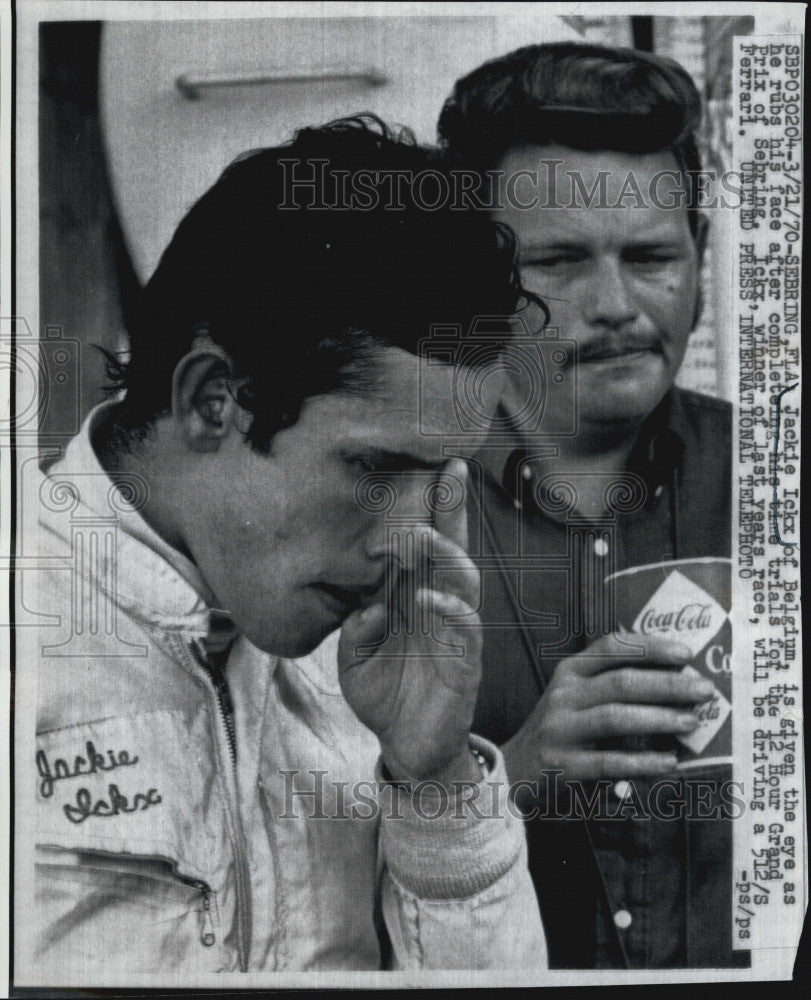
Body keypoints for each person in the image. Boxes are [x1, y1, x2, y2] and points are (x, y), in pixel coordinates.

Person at [20, 117, 547, 979]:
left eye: (439, 476)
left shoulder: (368, 665)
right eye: (373, 466)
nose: (407, 540)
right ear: (211, 402)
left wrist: (436, 782)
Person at [438, 43, 746, 969]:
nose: (615, 304)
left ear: (697, 254)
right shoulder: (389, 507)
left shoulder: (779, 477)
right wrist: (513, 778)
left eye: (651, 255)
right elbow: (293, 881)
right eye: (561, 263)